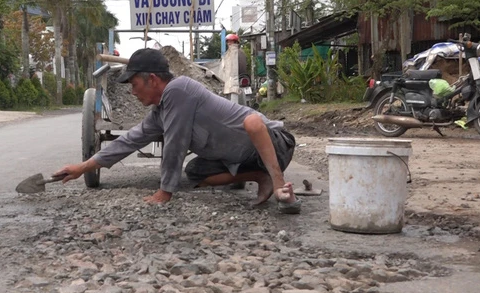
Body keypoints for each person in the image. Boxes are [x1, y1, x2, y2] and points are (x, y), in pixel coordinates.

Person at [55, 48, 301, 214]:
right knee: (195, 173)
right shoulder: (159, 113)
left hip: (275, 145)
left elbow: (175, 144)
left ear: (152, 79)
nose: (132, 91)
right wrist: (82, 167)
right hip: (245, 159)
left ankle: (279, 184)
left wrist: (165, 192)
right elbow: (128, 142)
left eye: (134, 84)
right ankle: (261, 176)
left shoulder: (179, 90)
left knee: (253, 122)